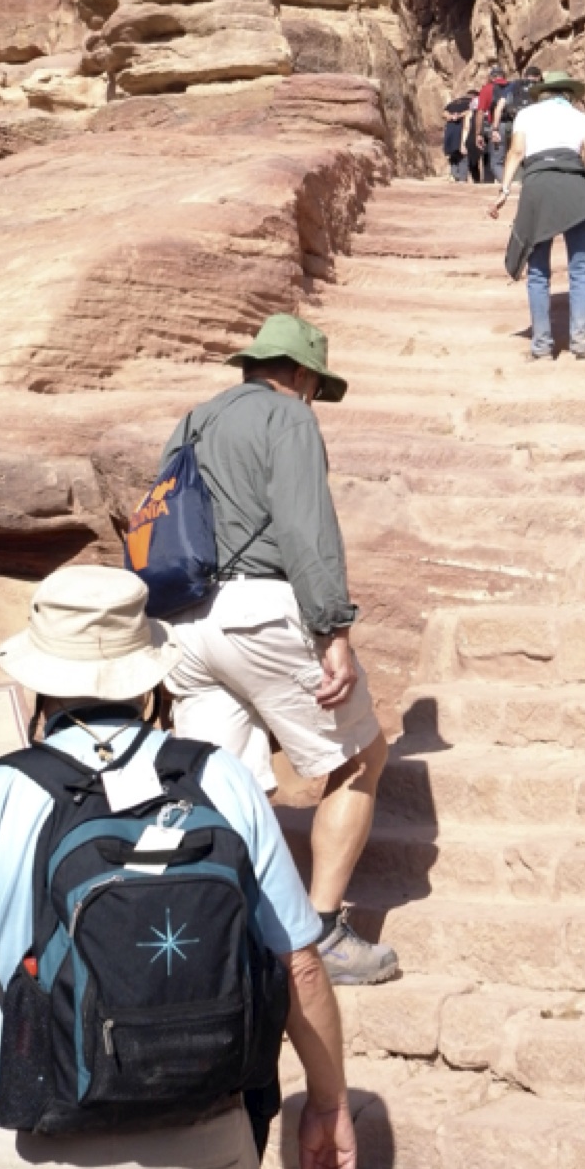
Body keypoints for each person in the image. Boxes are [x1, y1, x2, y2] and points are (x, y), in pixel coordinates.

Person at [0, 564, 355, 1169]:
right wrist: (329, 1104)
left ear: (39, 680)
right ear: (150, 677)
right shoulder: (222, 779)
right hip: (202, 1149)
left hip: (33, 1160)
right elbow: (299, 965)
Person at [161, 313, 398, 986]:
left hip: (185, 620)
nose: (314, 398)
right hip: (259, 612)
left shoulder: (191, 422)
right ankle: (322, 935)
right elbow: (305, 528)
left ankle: (220, 936)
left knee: (224, 785)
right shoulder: (288, 417)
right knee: (361, 758)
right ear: (297, 374)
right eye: (315, 385)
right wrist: (334, 631)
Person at [489, 69, 585, 360]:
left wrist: (504, 191)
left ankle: (542, 346)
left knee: (538, 271)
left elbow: (516, 153)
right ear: (568, 93)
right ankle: (581, 343)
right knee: (581, 268)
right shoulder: (579, 117)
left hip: (538, 187)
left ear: (542, 93)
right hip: (574, 187)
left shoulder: (526, 115)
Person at [475, 65, 508, 184]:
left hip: (497, 127)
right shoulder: (512, 86)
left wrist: (478, 133)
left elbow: (480, 112)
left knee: (496, 163)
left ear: (491, 77)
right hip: (517, 126)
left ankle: (507, 185)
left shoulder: (488, 88)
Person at [443, 94, 471, 182]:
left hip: (451, 131)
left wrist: (452, 116)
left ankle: (455, 175)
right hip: (461, 130)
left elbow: (444, 113)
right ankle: (461, 177)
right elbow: (469, 112)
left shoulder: (452, 104)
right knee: (462, 155)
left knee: (454, 154)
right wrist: (459, 116)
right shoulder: (469, 103)